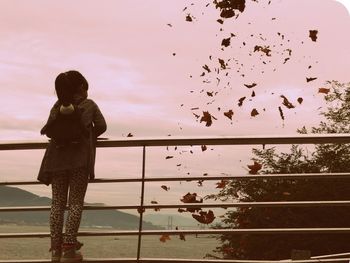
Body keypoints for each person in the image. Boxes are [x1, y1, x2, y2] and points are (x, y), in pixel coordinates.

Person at [38, 70, 107, 262]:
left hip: (57, 161)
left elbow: (51, 130)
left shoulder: (57, 106)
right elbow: (102, 125)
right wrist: (88, 133)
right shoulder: (89, 105)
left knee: (57, 204)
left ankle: (55, 251)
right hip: (79, 161)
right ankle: (69, 249)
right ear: (82, 87)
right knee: (75, 203)